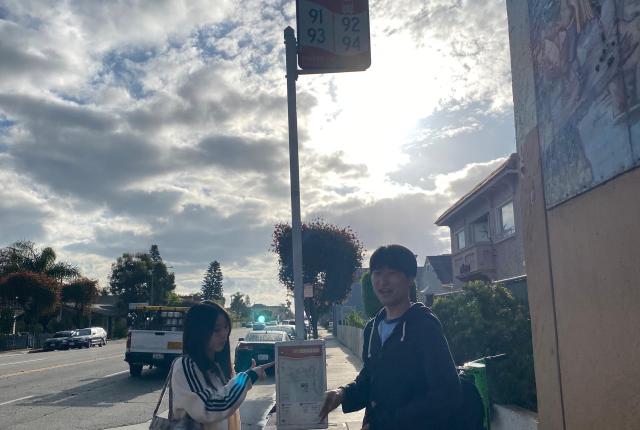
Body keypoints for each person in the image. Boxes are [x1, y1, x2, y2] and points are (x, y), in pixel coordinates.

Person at [319, 244, 461, 430]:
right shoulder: (373, 327)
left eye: (392, 273)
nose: (383, 282)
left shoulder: (424, 326)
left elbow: (447, 393)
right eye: (377, 273)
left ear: (409, 278)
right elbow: (371, 376)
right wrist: (343, 393)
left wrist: (386, 423)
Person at [170, 302, 273, 430]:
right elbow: (209, 407)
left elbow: (226, 399)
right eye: (216, 329)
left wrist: (246, 375)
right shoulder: (185, 365)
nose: (224, 334)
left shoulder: (217, 366)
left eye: (226, 328)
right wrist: (248, 377)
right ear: (198, 332)